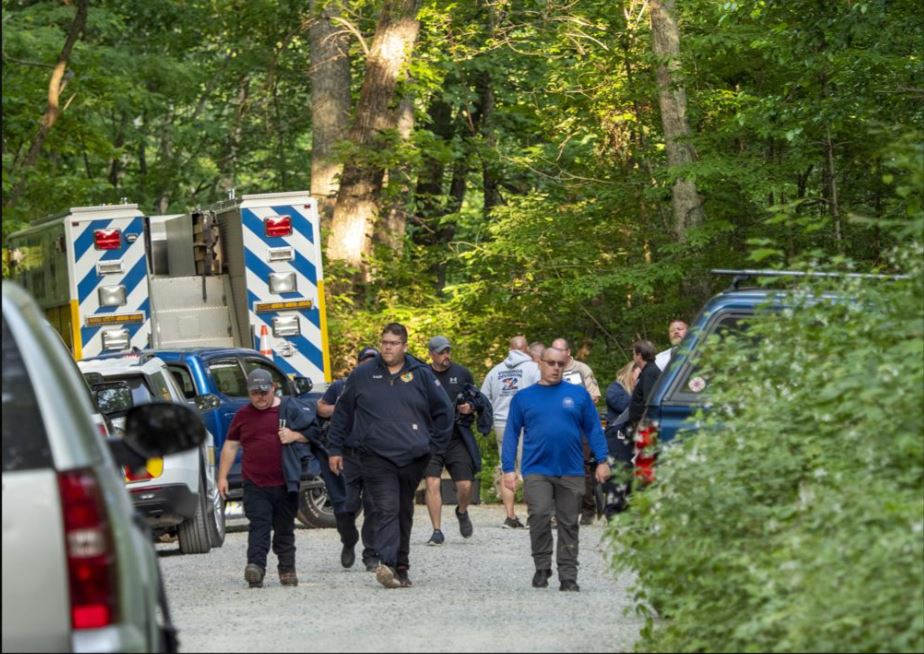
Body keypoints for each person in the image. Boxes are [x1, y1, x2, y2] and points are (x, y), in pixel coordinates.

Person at [327, 323, 454, 589]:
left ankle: (402, 565)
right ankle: (387, 564)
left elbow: (445, 411)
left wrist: (434, 447)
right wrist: (335, 448)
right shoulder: (362, 374)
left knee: (403, 509)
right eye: (384, 342)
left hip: (413, 456)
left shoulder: (420, 374)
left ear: (405, 346)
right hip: (375, 455)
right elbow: (342, 413)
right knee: (385, 508)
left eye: (393, 343)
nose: (387, 347)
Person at [502, 346, 610, 592]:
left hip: (571, 469)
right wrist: (509, 468)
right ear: (540, 363)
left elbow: (593, 428)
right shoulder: (524, 397)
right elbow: (511, 433)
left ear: (566, 364)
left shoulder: (578, 395)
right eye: (550, 363)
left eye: (560, 364)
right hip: (537, 468)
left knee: (569, 522)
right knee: (539, 515)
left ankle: (568, 575)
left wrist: (602, 460)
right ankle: (542, 566)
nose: (555, 368)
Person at [217, 369, 320, 588]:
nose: (260, 397)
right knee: (258, 526)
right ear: (249, 392)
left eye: (264, 391)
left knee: (284, 528)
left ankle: (287, 569)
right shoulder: (242, 415)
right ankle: (255, 567)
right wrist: (222, 477)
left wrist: (295, 435)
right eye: (255, 393)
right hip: (255, 483)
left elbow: (315, 433)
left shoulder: (290, 409)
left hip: (286, 481)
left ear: (273, 387)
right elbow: (230, 445)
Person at [423, 335, 492, 545]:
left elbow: (475, 398)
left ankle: (462, 511)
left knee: (465, 485)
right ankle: (437, 530)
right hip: (431, 437)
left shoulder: (461, 373)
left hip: (457, 436)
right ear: (432, 354)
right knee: (432, 482)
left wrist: (469, 407)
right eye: (441, 352)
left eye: (448, 351)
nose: (446, 356)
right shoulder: (422, 375)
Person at [316, 346, 380, 571]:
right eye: (366, 361)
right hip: (347, 454)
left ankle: (371, 554)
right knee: (344, 506)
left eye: (374, 361)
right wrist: (341, 408)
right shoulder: (341, 386)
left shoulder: (385, 387)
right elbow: (321, 408)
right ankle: (349, 540)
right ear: (358, 363)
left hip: (374, 455)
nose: (369, 365)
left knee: (374, 506)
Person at [480, 335, 540, 528]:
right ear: (526, 350)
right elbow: (543, 393)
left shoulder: (495, 371)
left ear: (509, 349)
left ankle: (510, 516)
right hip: (526, 424)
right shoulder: (533, 368)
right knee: (530, 468)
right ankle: (533, 516)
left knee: (507, 468)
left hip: (501, 423)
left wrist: (490, 419)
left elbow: (482, 399)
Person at [550, 337, 602, 525]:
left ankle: (588, 508)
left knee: (583, 467)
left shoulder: (582, 369)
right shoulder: (551, 370)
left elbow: (594, 396)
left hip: (581, 425)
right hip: (558, 427)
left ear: (568, 352)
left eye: (559, 350)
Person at [601, 361, 640, 518]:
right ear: (630, 373)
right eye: (638, 376)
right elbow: (630, 408)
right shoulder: (615, 390)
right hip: (617, 448)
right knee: (616, 494)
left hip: (632, 448)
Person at [628, 340, 659, 427]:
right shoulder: (645, 371)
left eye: (634, 354)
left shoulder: (650, 372)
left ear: (639, 355)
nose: (633, 357)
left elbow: (649, 401)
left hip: (644, 425)